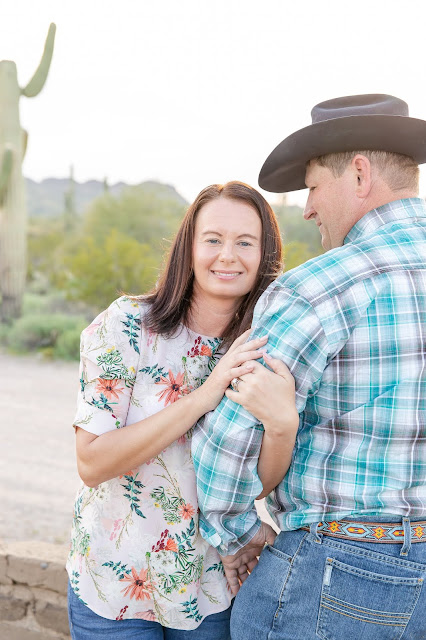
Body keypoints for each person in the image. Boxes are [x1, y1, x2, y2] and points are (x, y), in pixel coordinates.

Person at [192, 95, 426, 638]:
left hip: (335, 580)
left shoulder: (323, 286)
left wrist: (240, 536)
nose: (308, 209)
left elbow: (229, 445)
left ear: (360, 174)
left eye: (314, 187)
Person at [66, 180, 299, 640]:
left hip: (211, 586)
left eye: (245, 242)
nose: (227, 255)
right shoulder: (128, 326)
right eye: (212, 239)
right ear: (188, 249)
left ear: (265, 255)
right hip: (115, 587)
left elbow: (260, 483)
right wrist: (204, 395)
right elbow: (91, 463)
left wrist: (282, 426)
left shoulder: (265, 350)